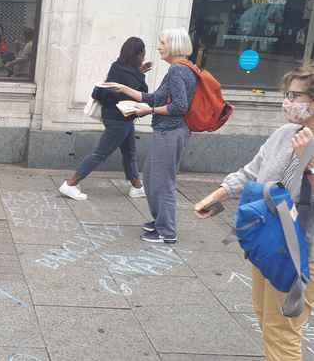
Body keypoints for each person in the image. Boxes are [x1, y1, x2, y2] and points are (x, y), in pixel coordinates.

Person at [194, 66, 314, 360]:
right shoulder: (285, 133)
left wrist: (304, 160)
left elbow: (289, 192)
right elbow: (252, 172)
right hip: (269, 242)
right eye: (287, 94)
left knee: (283, 330)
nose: (287, 101)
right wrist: (219, 193)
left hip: (302, 253)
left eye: (295, 95)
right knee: (266, 318)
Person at [101, 28, 197, 244]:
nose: (159, 46)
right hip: (167, 130)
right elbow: (153, 97)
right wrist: (124, 88)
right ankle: (161, 221)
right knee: (151, 177)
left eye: (162, 42)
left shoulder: (177, 71)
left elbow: (180, 106)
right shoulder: (179, 69)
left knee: (163, 182)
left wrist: (149, 111)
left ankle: (167, 232)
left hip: (171, 131)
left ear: (174, 45)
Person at [59, 37, 152, 201]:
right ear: (137, 55)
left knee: (129, 152)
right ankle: (71, 184)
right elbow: (141, 93)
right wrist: (141, 73)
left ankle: (137, 187)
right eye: (143, 54)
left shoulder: (117, 67)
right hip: (119, 120)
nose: (144, 57)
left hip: (119, 118)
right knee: (100, 154)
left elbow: (128, 84)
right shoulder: (131, 74)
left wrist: (139, 71)